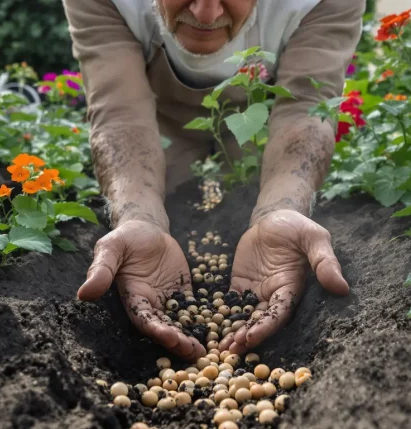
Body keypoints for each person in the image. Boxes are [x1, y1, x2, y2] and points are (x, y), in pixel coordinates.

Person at [62, 0, 365, 360]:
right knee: (170, 198)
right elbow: (120, 115)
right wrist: (140, 217)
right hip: (157, 121)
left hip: (258, 128)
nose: (206, 14)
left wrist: (280, 209)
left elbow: (306, 107)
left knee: (244, 195)